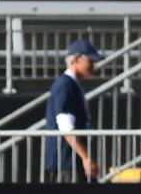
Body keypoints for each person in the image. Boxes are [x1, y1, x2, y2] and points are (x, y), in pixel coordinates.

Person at [43, 38, 103, 182]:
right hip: (65, 164)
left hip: (70, 162)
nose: (94, 65)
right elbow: (66, 127)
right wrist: (86, 157)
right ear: (76, 59)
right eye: (90, 60)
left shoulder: (72, 84)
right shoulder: (65, 85)